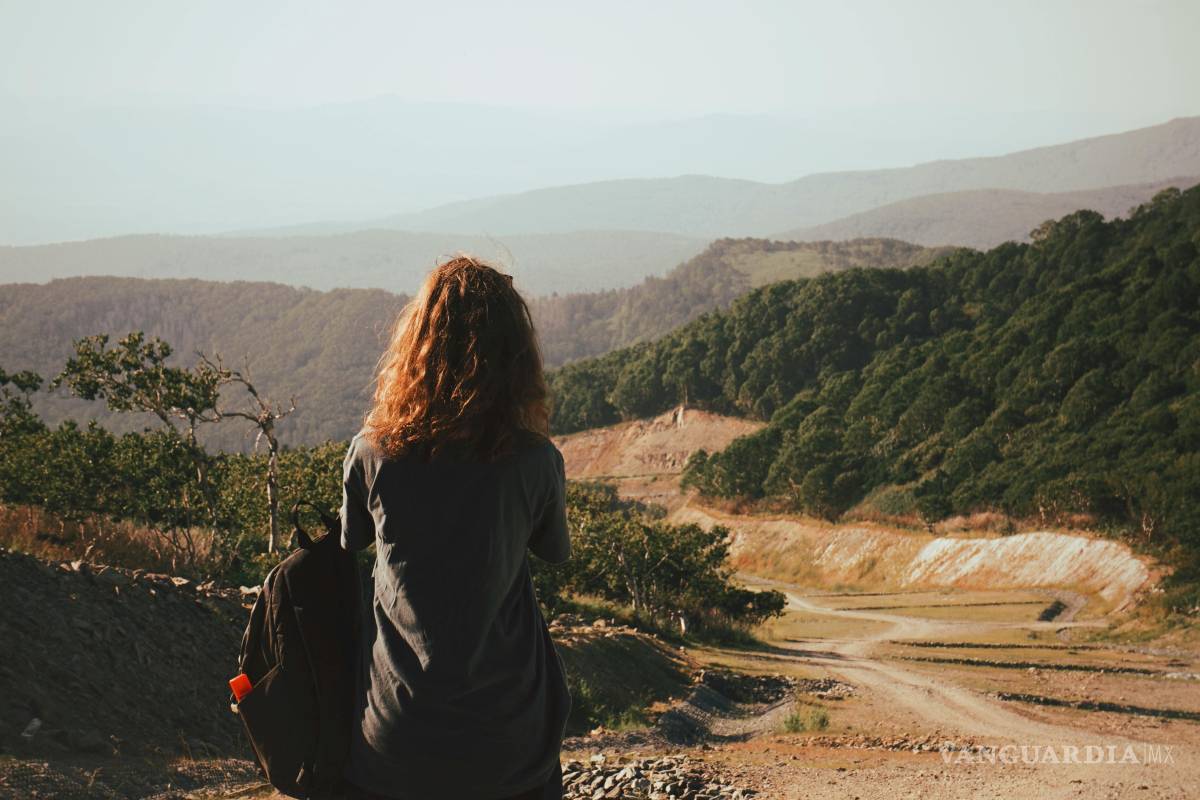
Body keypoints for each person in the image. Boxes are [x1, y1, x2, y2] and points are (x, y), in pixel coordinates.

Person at [338, 256, 572, 800]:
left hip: (392, 741)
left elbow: (351, 542)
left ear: (414, 344)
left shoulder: (373, 452)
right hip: (509, 746)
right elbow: (554, 551)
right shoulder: (535, 461)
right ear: (514, 357)